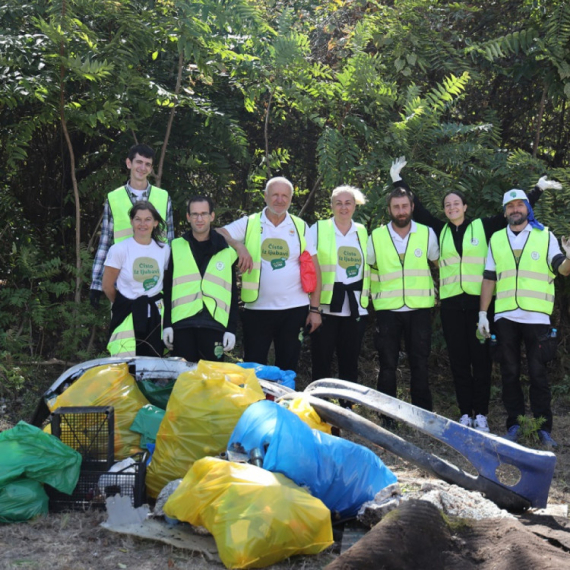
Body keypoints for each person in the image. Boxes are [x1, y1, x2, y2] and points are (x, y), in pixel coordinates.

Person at [390, 157, 556, 432]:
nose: (452, 207)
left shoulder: (483, 226)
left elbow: (515, 211)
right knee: (458, 362)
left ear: (465, 207)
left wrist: (536, 189)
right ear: (444, 210)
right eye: (447, 204)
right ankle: (465, 412)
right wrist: (398, 180)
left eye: (457, 203)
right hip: (452, 307)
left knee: (481, 362)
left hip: (481, 307)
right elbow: (414, 209)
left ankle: (482, 414)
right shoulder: (439, 230)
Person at [478, 189, 570, 449]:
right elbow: (489, 277)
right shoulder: (496, 238)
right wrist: (483, 314)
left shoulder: (545, 235)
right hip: (506, 316)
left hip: (537, 316)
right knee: (509, 373)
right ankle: (515, 425)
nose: (515, 209)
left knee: (539, 375)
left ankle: (543, 428)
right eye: (510, 206)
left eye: (520, 205)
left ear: (527, 209)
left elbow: (562, 269)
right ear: (505, 210)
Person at [217, 176, 322, 372]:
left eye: (285, 196)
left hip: (294, 309)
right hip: (257, 309)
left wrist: (315, 310)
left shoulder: (300, 226)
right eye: (275, 195)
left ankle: (283, 402)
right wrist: (239, 245)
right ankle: (256, 402)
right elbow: (218, 233)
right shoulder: (250, 223)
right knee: (253, 366)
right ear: (265, 197)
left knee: (288, 367)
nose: (279, 200)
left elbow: (315, 270)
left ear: (291, 199)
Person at [367, 186, 439, 412]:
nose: (401, 211)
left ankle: (422, 412)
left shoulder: (427, 233)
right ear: (389, 209)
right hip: (387, 309)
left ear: (412, 207)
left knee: (420, 362)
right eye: (396, 207)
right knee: (388, 364)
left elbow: (439, 264)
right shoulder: (376, 236)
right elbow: (367, 270)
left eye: (404, 206)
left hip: (419, 309)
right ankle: (387, 413)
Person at [90, 144, 174, 308]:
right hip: (123, 281)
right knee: (123, 332)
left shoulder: (163, 197)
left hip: (155, 282)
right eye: (139, 162)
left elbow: (170, 240)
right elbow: (105, 241)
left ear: (151, 168)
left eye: (147, 164)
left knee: (155, 332)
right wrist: (97, 283)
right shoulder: (114, 198)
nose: (143, 168)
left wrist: (172, 279)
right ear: (129, 163)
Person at [161, 196, 238, 362]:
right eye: (195, 214)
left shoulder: (227, 251)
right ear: (188, 217)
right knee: (183, 382)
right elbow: (167, 289)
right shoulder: (175, 246)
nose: (199, 219)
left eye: (204, 214)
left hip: (214, 325)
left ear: (212, 216)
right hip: (182, 325)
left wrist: (231, 329)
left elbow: (232, 293)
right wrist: (166, 324)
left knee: (211, 383)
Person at [309, 186, 370, 386]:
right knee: (321, 361)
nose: (343, 207)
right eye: (339, 203)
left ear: (355, 206)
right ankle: (319, 406)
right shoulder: (318, 228)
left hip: (354, 308)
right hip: (326, 307)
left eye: (348, 203)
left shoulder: (362, 231)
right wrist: (313, 308)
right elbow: (307, 265)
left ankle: (347, 406)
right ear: (332, 206)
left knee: (350, 361)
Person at [102, 202, 170, 357]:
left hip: (155, 316)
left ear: (155, 222)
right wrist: (124, 304)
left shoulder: (164, 250)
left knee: (153, 365)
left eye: (147, 219)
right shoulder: (119, 249)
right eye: (138, 219)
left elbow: (165, 282)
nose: (142, 224)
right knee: (125, 365)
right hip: (128, 314)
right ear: (131, 221)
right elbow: (107, 286)